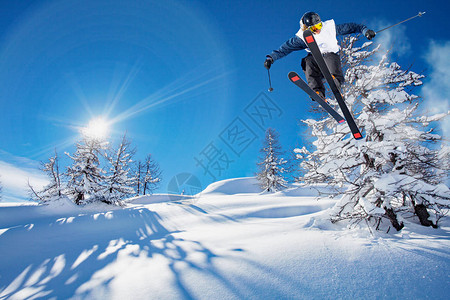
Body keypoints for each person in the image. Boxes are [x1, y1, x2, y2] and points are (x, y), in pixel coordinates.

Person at [265, 12, 376, 99]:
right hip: (315, 61)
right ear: (307, 28)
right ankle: (317, 92)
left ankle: (335, 82)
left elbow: (353, 27)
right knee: (308, 62)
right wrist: (271, 58)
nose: (318, 30)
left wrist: (366, 31)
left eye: (319, 26)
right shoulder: (301, 38)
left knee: (330, 58)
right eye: (314, 28)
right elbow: (285, 48)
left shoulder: (330, 28)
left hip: (330, 56)